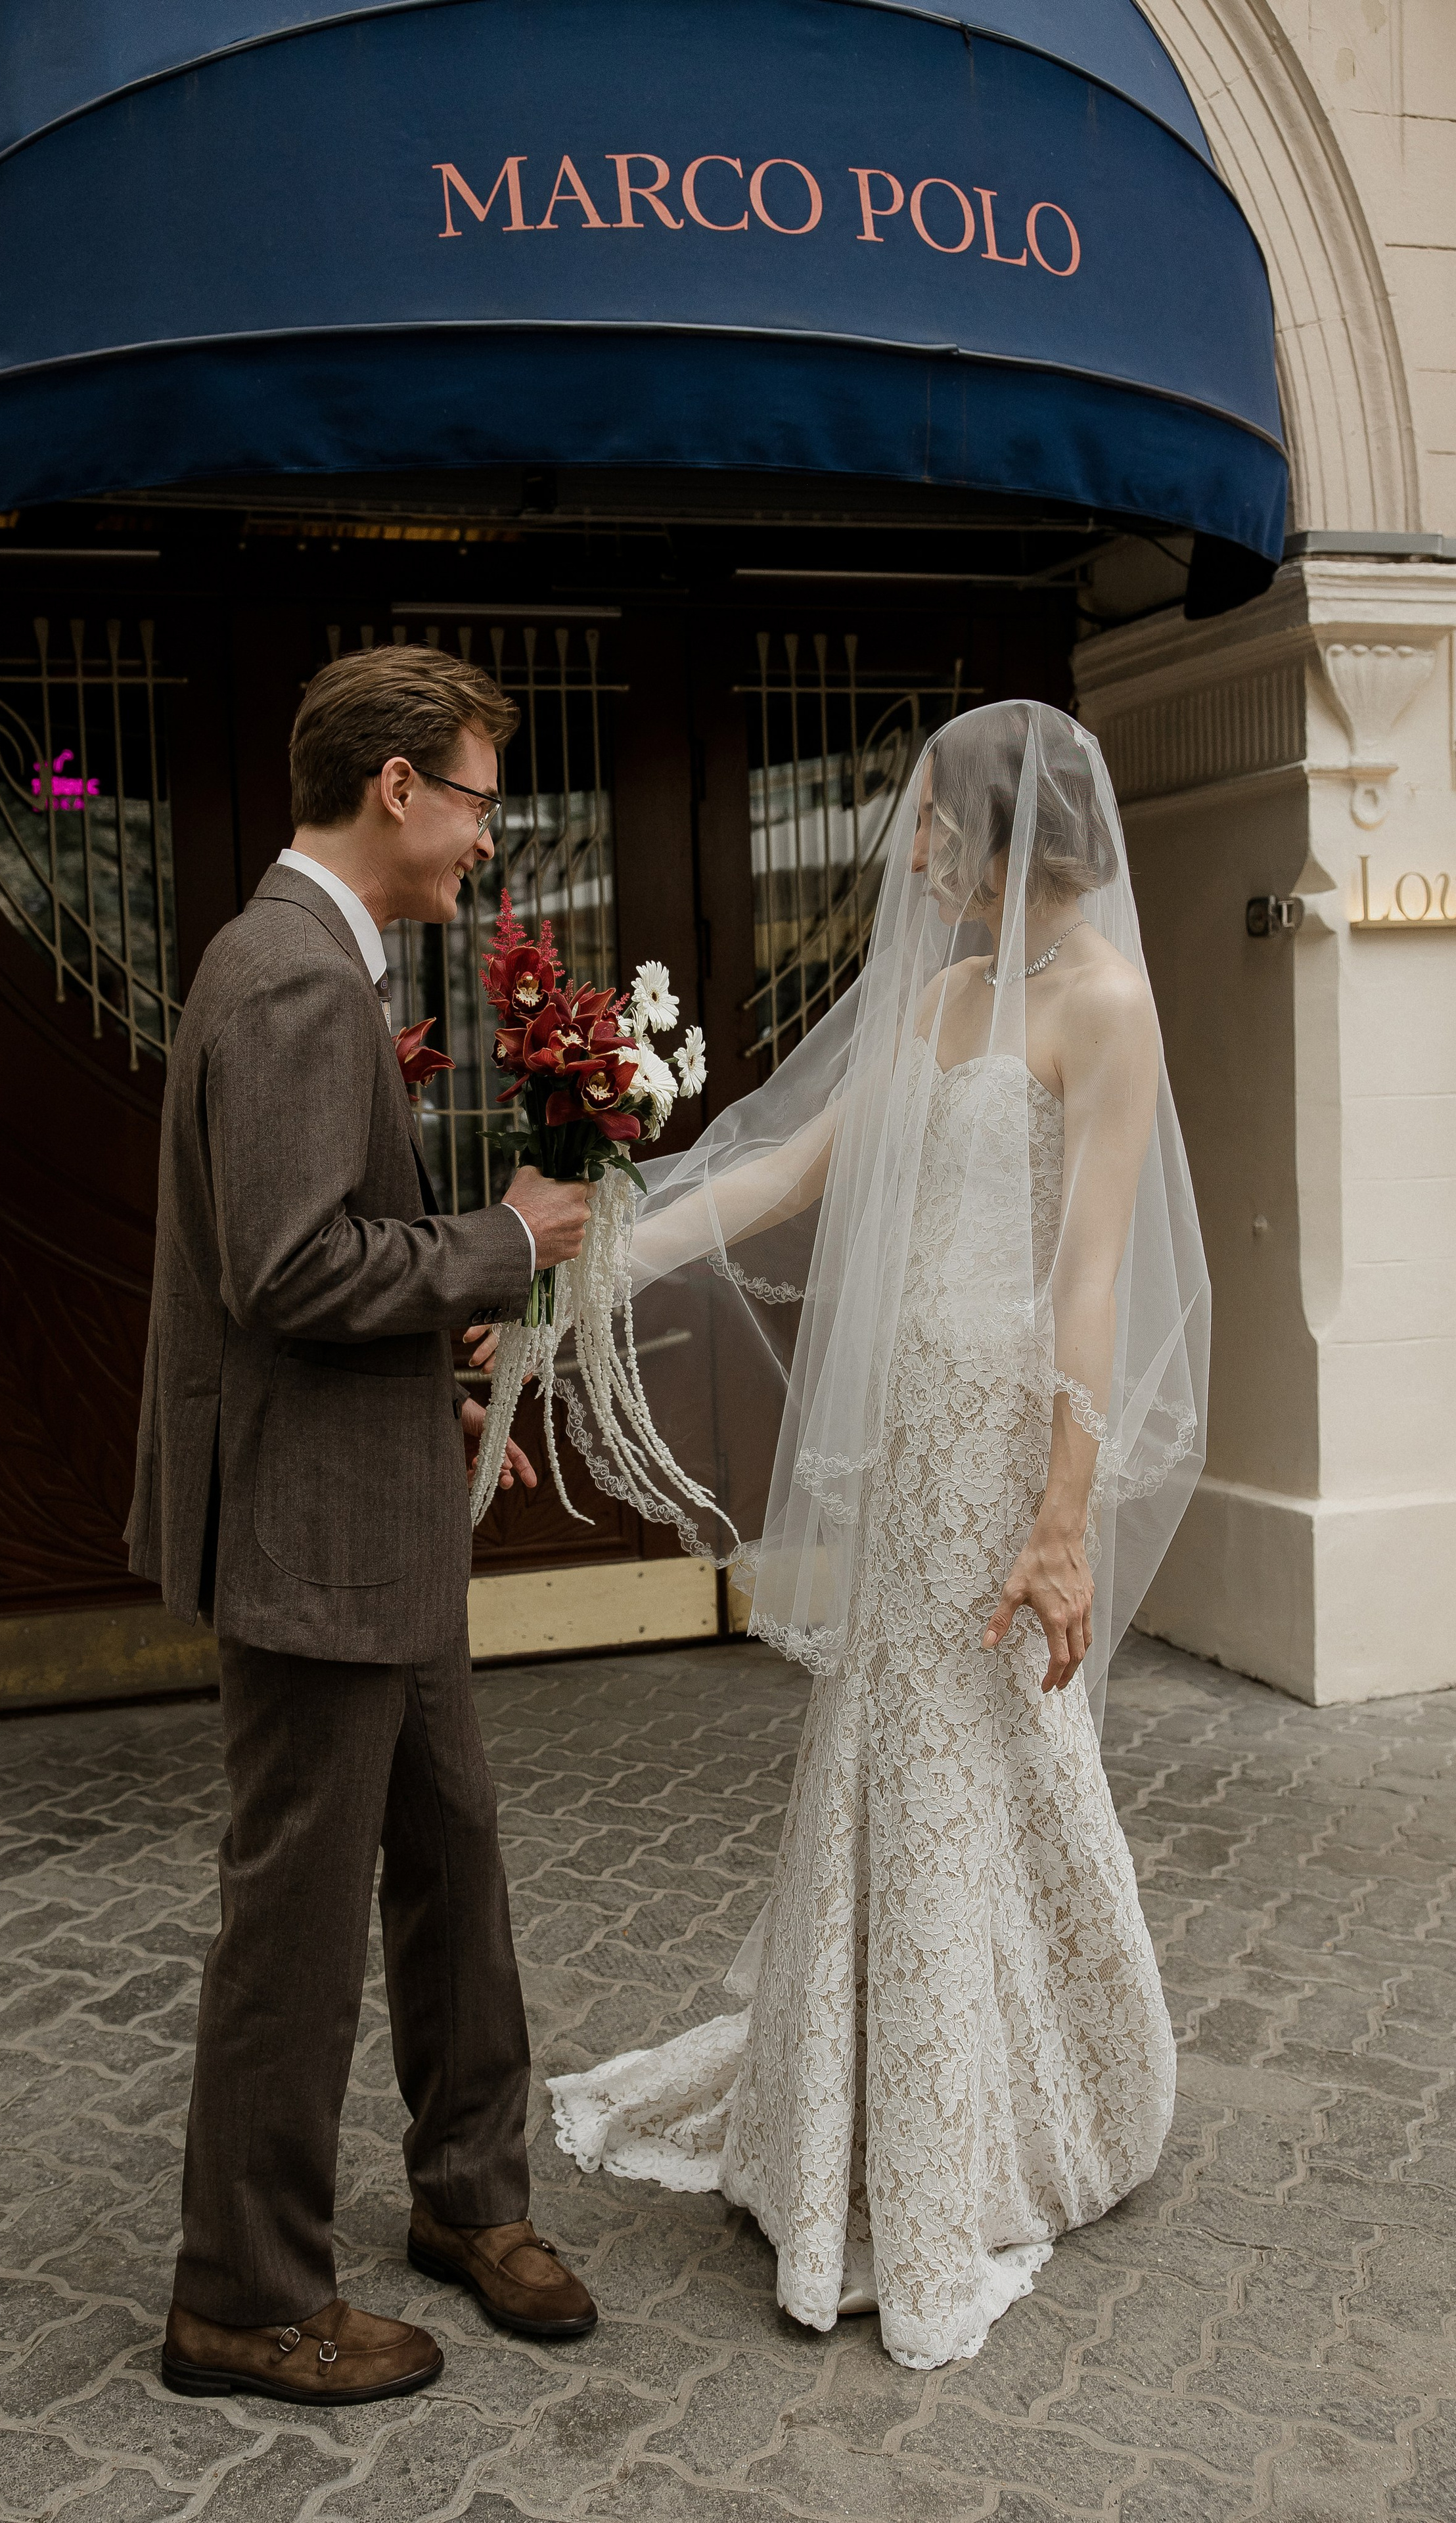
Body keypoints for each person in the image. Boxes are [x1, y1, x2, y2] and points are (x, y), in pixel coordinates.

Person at [543, 700, 1209, 2370]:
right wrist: (587, 1277)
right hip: (918, 1432)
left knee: (988, 1736)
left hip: (1005, 1436)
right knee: (897, 1736)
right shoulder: (938, 996)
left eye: (922, 825)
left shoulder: (1104, 1004)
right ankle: (861, 2093)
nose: (903, 853)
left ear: (1004, 833)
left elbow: (1092, 1279)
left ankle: (1003, 2113)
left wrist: (1063, 1518)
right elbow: (782, 1181)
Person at [128, 645, 599, 2407]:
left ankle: (469, 2202)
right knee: (298, 1937)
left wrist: (442, 1376)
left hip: (373, 1521)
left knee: (456, 1875)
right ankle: (239, 2300)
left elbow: (317, 1275)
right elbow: (290, 1263)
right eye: (479, 796)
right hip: (317, 1562)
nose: (491, 836)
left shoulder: (316, 961)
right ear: (398, 784)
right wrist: (504, 1243)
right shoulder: (293, 978)